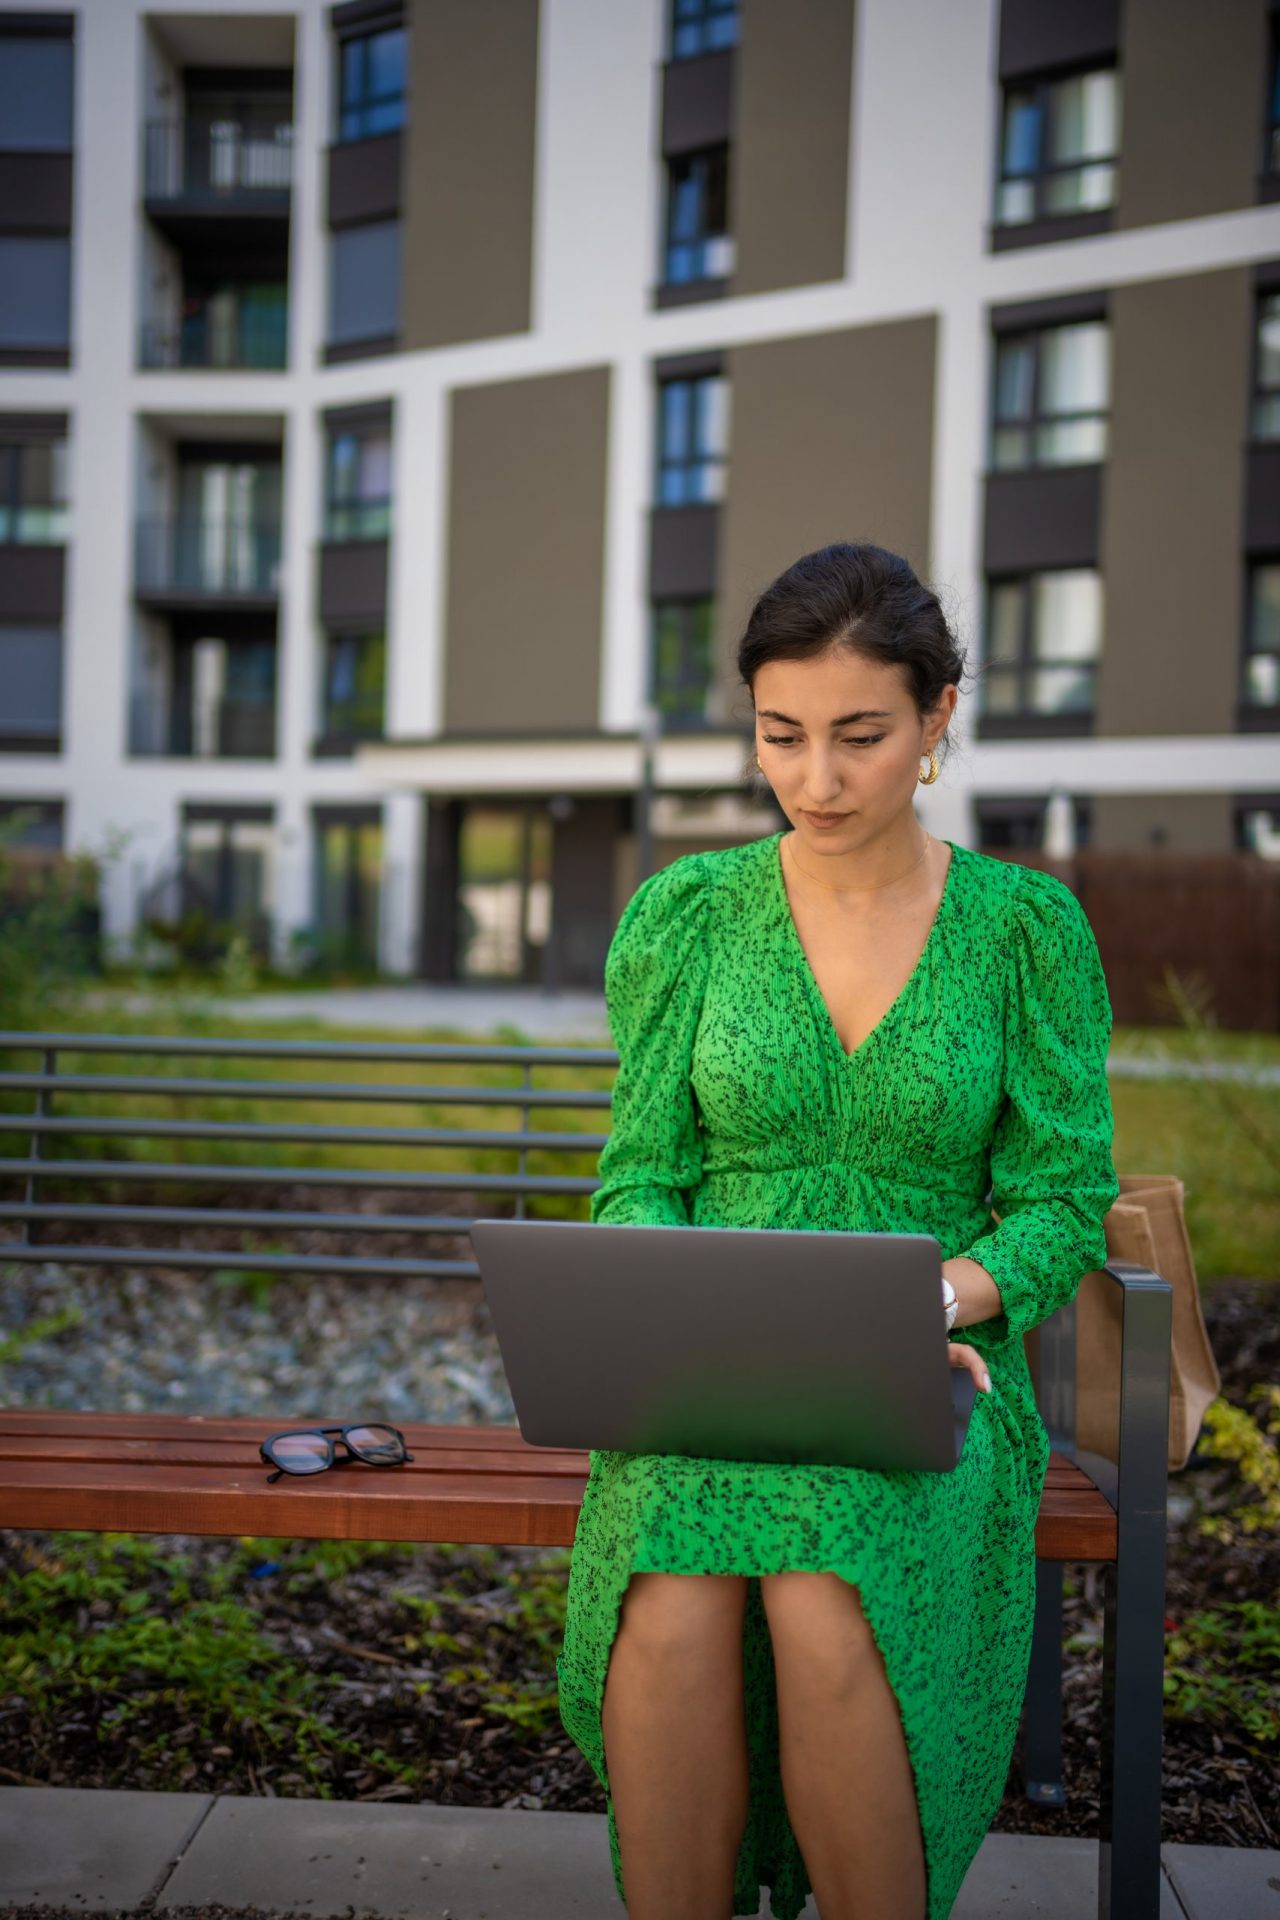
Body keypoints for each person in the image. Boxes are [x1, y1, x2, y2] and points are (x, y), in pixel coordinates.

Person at [553, 541, 1120, 1920]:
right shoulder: (690, 916)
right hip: (713, 1359)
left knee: (823, 1582)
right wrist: (676, 1297)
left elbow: (1062, 1196)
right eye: (781, 736)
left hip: (934, 1358)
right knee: (673, 1589)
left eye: (860, 736)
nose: (816, 779)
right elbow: (639, 1175)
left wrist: (945, 1303)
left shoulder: (1023, 930)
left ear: (937, 721)